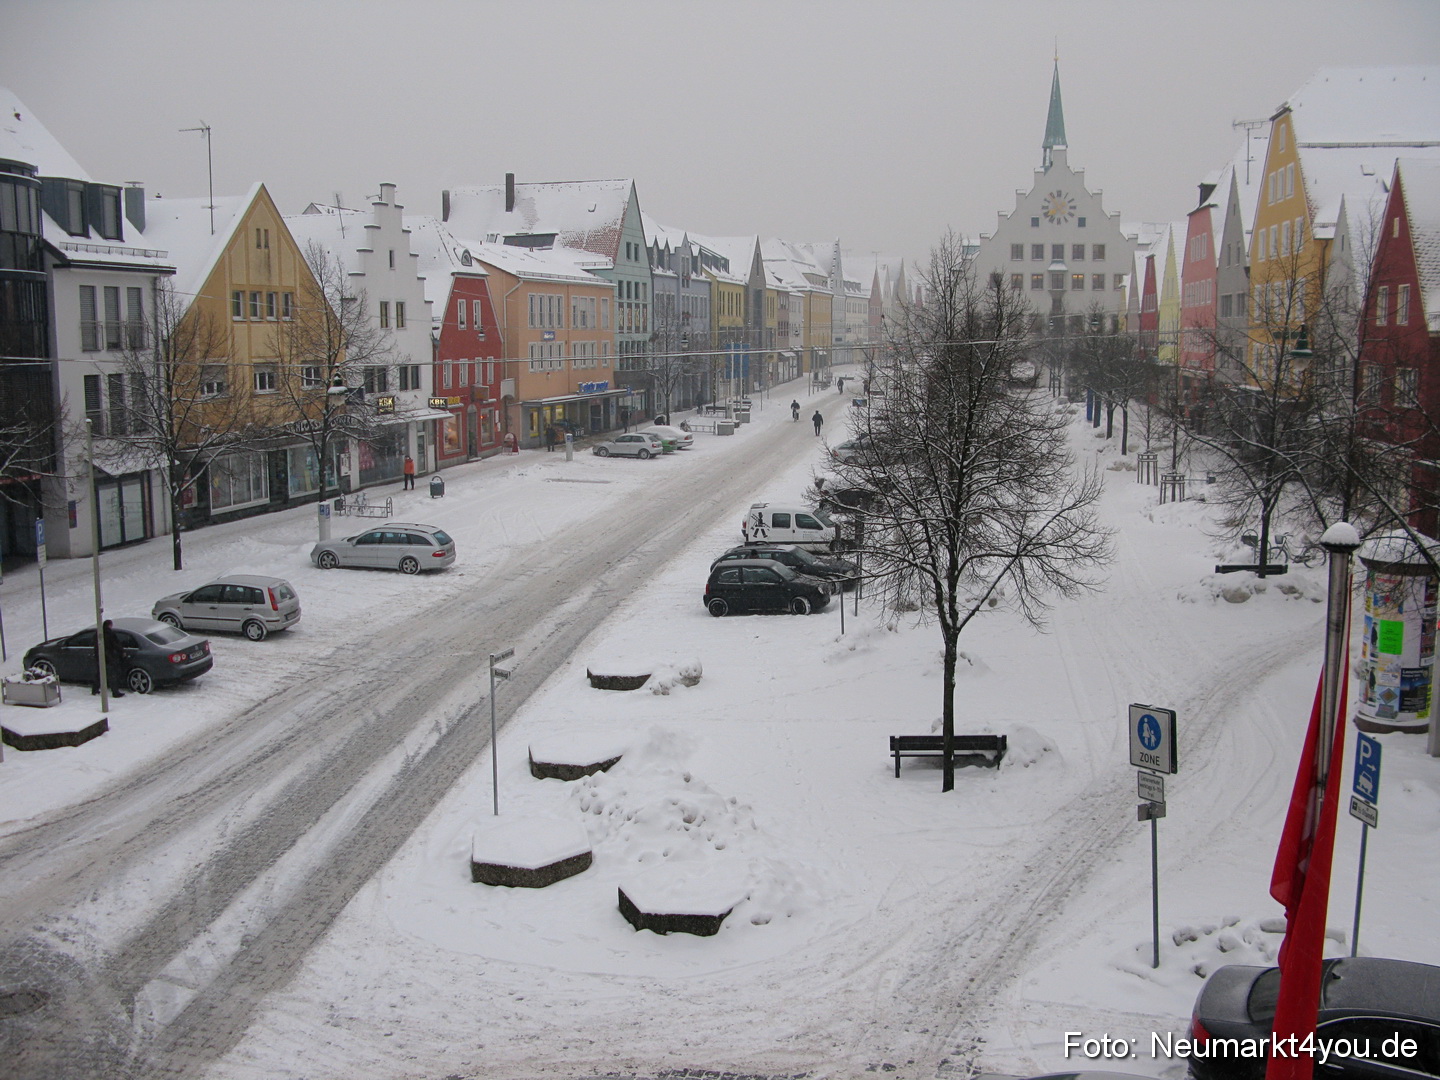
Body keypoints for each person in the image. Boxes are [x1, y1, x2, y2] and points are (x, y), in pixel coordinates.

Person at [93, 618, 127, 697]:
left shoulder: (98, 633)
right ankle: (115, 692)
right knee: (112, 675)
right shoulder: (111, 634)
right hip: (109, 657)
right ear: (110, 625)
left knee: (99, 674)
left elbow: (95, 643)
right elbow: (116, 644)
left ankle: (95, 689)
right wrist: (122, 651)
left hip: (100, 656)